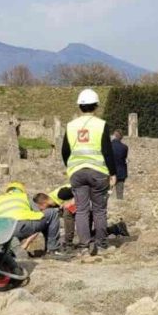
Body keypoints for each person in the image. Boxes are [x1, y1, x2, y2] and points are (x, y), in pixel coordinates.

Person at [61, 88, 118, 256]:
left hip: (77, 173)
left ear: (79, 106)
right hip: (98, 172)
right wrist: (113, 174)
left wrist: (71, 168)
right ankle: (101, 245)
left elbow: (65, 151)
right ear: (96, 106)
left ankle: (84, 246)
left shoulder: (71, 126)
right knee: (100, 210)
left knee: (81, 210)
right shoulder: (101, 125)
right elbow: (107, 151)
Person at [0, 182, 66, 259]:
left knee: (13, 232)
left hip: (5, 231)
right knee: (52, 213)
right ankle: (53, 250)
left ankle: (9, 251)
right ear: (21, 190)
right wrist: (28, 242)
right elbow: (38, 215)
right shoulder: (24, 196)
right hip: (21, 226)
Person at [33, 185, 76, 249]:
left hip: (86, 192)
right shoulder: (50, 200)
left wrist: (72, 202)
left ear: (44, 203)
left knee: (67, 213)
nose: (39, 208)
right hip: (76, 199)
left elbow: (80, 191)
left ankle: (68, 242)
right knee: (63, 211)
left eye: (39, 206)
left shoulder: (61, 194)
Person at [111, 130, 128, 199]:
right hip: (121, 172)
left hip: (110, 173)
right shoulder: (124, 147)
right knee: (120, 194)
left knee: (107, 192)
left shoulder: (108, 146)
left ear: (114, 136)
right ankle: (120, 207)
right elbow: (124, 158)